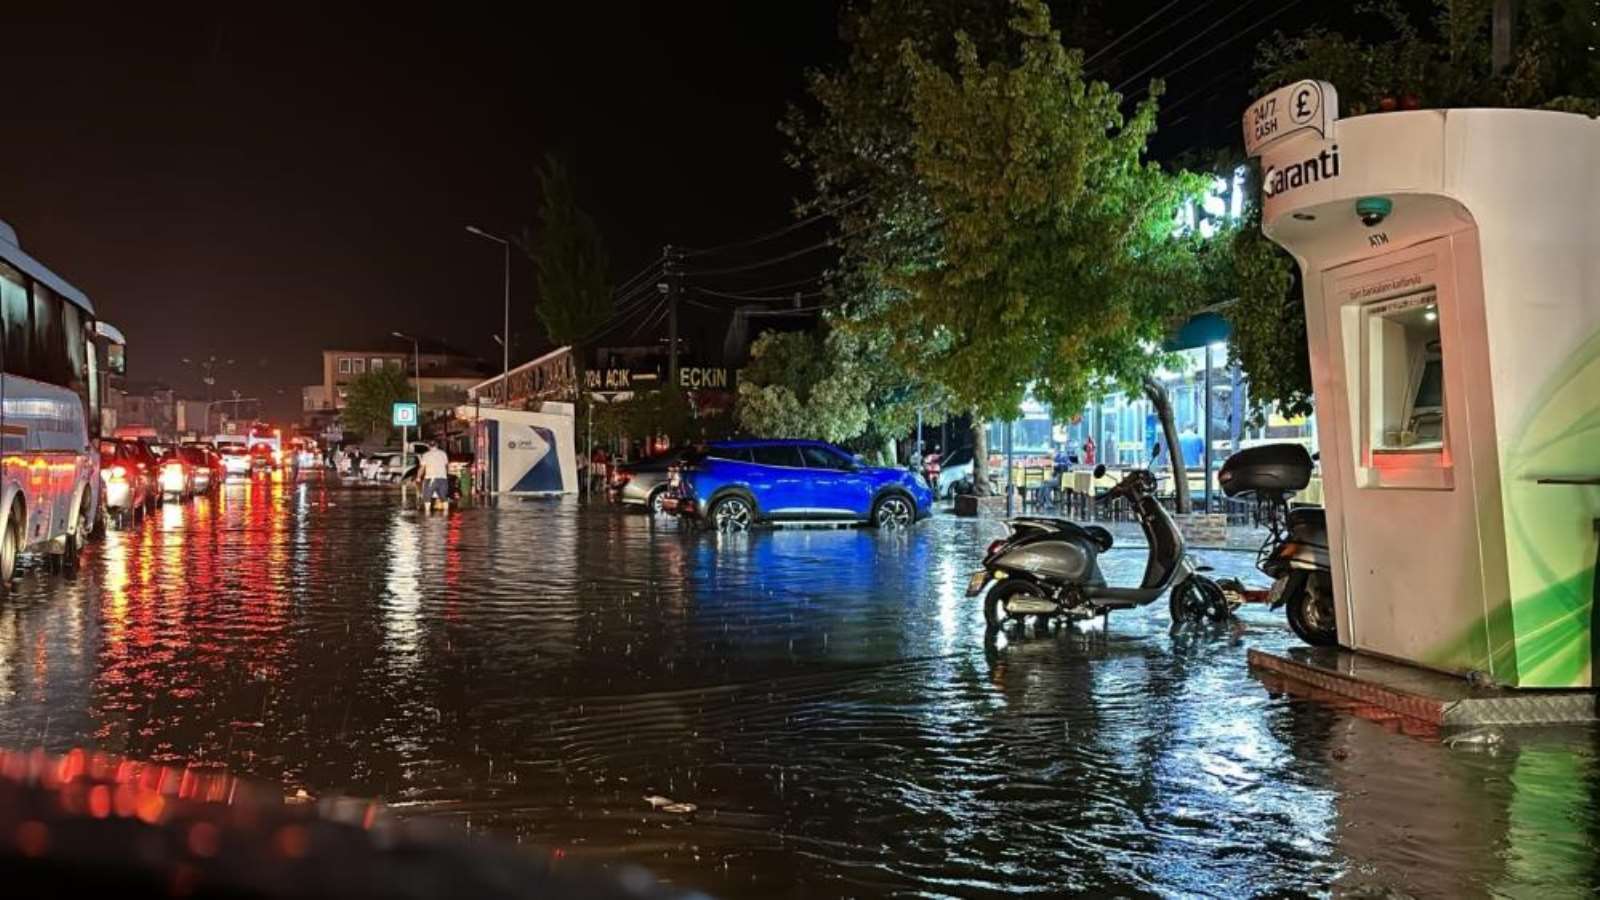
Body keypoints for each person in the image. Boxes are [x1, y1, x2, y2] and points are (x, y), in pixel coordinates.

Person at [418, 443, 452, 511]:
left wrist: (418, 477)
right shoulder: (443, 454)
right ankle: (446, 513)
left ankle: (427, 514)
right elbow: (446, 466)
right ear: (437, 446)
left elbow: (422, 468)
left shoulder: (426, 455)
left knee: (427, 498)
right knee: (444, 498)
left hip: (430, 479)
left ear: (429, 446)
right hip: (442, 479)